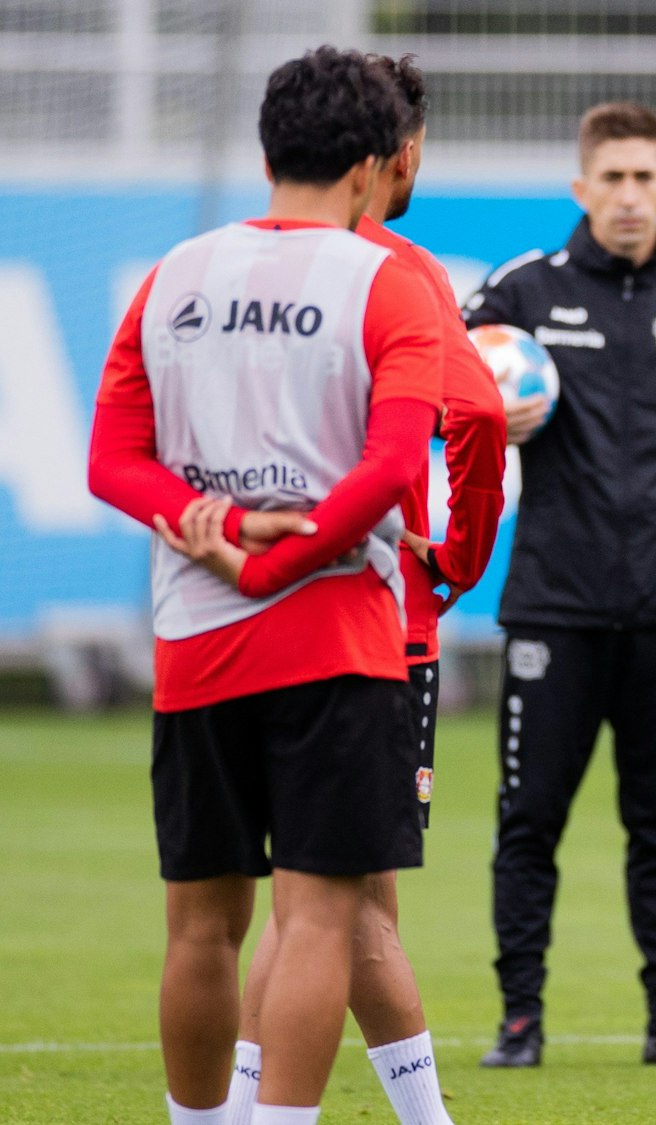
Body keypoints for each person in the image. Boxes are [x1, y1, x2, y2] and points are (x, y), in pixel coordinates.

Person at [85, 45, 443, 1124]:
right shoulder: (390, 281)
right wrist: (281, 555)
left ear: (264, 148)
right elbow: (390, 466)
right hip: (335, 637)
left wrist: (226, 535)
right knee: (321, 918)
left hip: (196, 637)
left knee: (198, 926)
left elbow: (111, 461)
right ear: (377, 166)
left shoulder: (176, 274)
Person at [221, 52, 508, 1125]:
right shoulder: (401, 272)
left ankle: (243, 1107)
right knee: (340, 903)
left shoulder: (217, 269)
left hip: (230, 613)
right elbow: (475, 417)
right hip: (374, 621)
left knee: (275, 904)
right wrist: (457, 557)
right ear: (399, 154)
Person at [463, 100, 656, 1069]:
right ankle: (518, 1021)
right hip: (555, 609)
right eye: (611, 178)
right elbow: (443, 394)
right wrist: (479, 409)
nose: (629, 196)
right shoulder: (520, 294)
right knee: (529, 819)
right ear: (580, 188)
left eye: (644, 178)